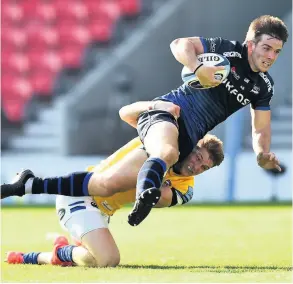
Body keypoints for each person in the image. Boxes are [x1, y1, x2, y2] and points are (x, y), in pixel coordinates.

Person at [1, 15, 287, 227]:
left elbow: (260, 126)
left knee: (106, 184)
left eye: (277, 52)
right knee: (167, 152)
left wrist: (262, 154)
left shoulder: (264, 86)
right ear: (251, 44)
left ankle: (29, 184)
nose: (271, 56)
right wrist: (197, 67)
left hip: (189, 136)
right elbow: (180, 44)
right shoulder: (226, 50)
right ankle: (146, 192)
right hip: (167, 112)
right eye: (267, 48)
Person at [5, 135, 224, 268]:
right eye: (197, 156)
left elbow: (158, 198)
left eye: (204, 167)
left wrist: (155, 182)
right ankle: (51, 254)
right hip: (81, 195)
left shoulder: (186, 187)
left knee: (94, 259)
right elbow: (127, 113)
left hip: (101, 211)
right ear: (191, 146)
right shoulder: (162, 142)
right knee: (108, 259)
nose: (196, 166)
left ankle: (48, 252)